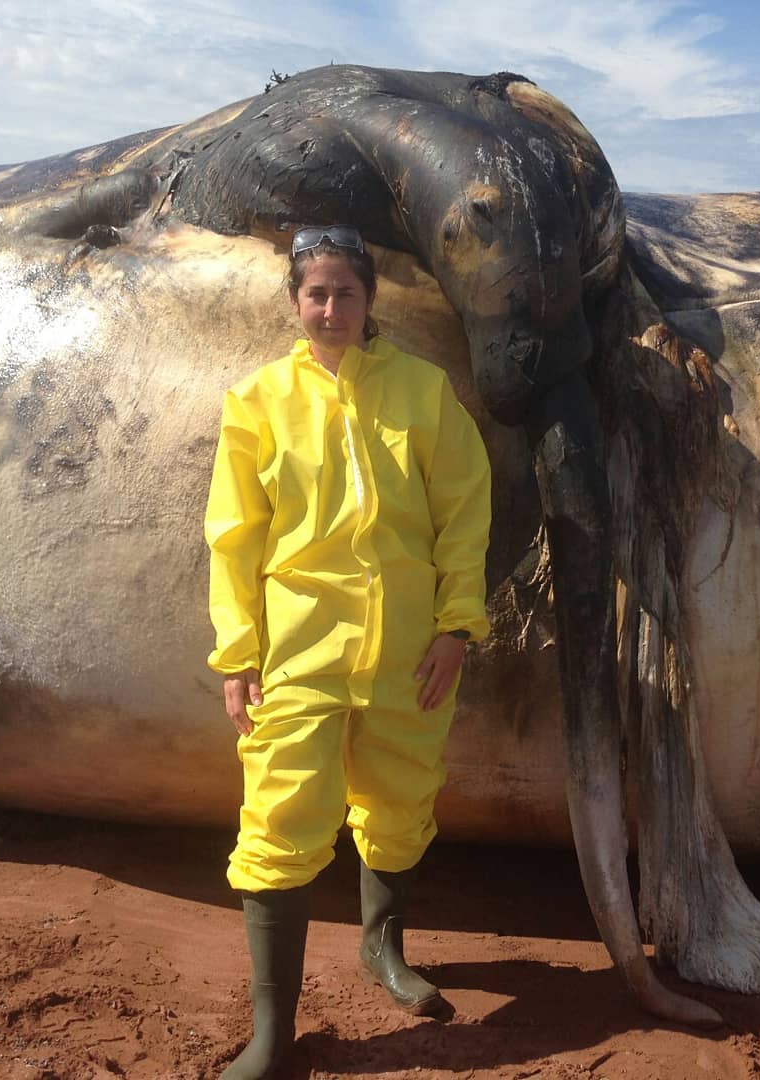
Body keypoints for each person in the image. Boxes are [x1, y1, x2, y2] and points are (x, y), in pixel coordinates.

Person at [204, 224, 491, 1080]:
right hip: (298, 649)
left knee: (402, 802)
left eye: (346, 293)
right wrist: (237, 651)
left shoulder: (425, 392)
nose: (330, 308)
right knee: (281, 819)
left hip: (408, 649)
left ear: (371, 302)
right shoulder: (257, 401)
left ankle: (383, 949)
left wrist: (456, 628)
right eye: (316, 293)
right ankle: (272, 1030)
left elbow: (463, 513)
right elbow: (234, 537)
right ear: (295, 303)